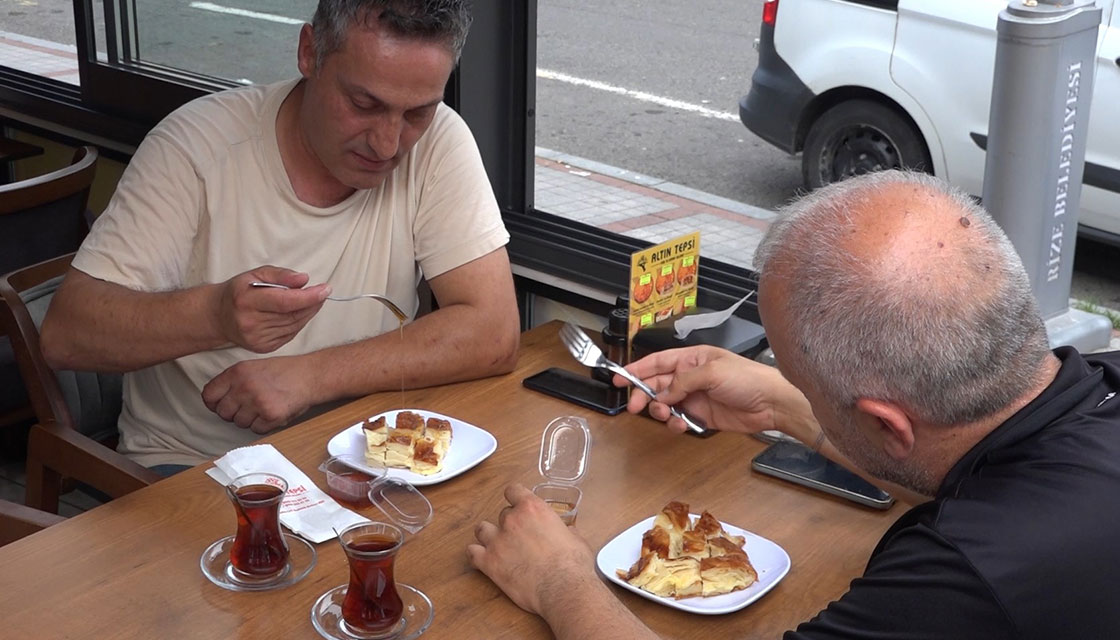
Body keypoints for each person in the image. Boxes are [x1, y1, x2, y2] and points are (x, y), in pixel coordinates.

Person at [468, 171, 1120, 639]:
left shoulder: (962, 578)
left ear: (887, 425)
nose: (788, 384)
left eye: (802, 380)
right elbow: (970, 472)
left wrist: (560, 583)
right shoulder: (1089, 395)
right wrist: (784, 407)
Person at [40, 0, 518, 474]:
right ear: (309, 53)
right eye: (363, 104)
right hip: (196, 468)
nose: (388, 144)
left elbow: (493, 332)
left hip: (361, 459)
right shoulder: (195, 148)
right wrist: (215, 316)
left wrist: (310, 377)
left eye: (417, 113)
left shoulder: (439, 143)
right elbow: (67, 335)